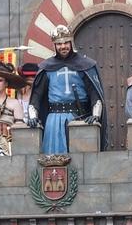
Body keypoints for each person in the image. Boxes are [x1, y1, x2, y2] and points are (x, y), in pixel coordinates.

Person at [26, 26, 105, 154]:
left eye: (66, 42)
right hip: (54, 121)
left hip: (80, 118)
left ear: (71, 42)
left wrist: (95, 115)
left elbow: (94, 93)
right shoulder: (47, 67)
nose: (63, 46)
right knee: (54, 159)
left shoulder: (85, 64)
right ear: (54, 46)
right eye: (59, 44)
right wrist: (33, 116)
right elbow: (37, 95)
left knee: (82, 160)